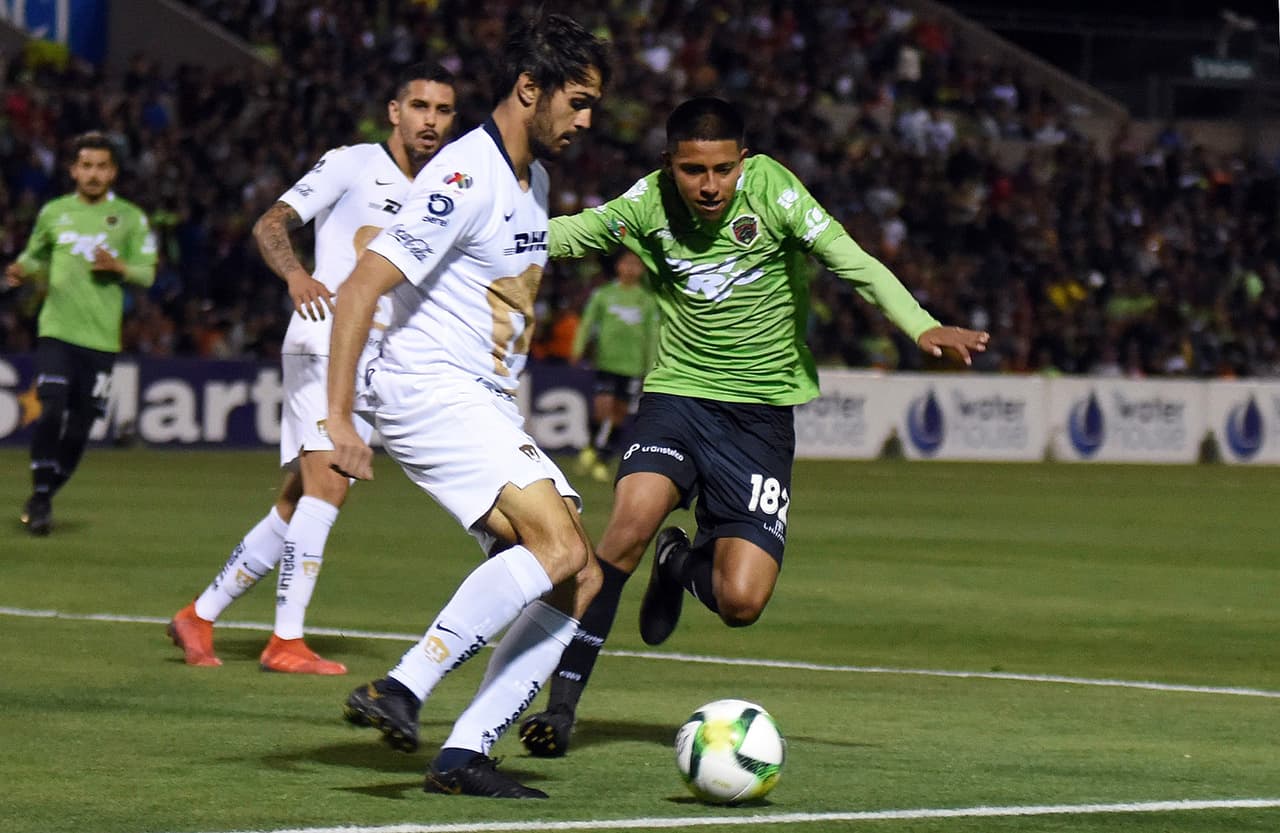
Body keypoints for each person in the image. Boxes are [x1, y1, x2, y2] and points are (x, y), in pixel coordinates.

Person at [518, 97, 990, 757]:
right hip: (678, 396)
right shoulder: (647, 203)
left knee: (741, 601)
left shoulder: (773, 189)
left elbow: (850, 260)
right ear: (668, 165)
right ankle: (559, 708)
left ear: (744, 159)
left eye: (721, 169)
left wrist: (921, 323)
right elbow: (568, 234)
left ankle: (680, 562)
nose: (708, 186)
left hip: (759, 419)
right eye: (692, 170)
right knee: (624, 528)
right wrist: (491, 231)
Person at [327, 14, 610, 798]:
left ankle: (464, 753)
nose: (587, 122)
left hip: (480, 400)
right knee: (559, 545)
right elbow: (361, 286)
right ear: (530, 89)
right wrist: (340, 418)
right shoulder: (464, 174)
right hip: (431, 388)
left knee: (576, 578)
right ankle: (403, 685)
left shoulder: (536, 182)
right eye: (577, 102)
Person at [166, 64, 458, 674]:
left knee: (302, 497)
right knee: (329, 484)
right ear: (394, 111)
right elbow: (271, 222)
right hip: (324, 337)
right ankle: (285, 641)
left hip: (374, 355)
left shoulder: (446, 187)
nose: (431, 119)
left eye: (444, 110)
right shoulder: (351, 163)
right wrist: (298, 276)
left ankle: (199, 614)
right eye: (421, 106)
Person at [6, 131, 157, 536]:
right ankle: (40, 497)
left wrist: (120, 268)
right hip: (57, 330)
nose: (93, 174)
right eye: (86, 166)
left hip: (102, 339)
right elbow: (36, 255)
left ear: (113, 171)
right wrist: (21, 268)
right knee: (52, 407)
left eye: (101, 166)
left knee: (80, 428)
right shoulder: (54, 212)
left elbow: (147, 272)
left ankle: (42, 495)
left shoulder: (130, 218)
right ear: (73, 170)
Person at [572, 250, 658, 482]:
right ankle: (590, 446)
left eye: (636, 265)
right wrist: (578, 348)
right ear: (618, 266)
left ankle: (604, 457)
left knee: (620, 412)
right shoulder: (604, 294)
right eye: (626, 263)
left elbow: (652, 335)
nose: (631, 268)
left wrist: (650, 368)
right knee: (602, 406)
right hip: (607, 361)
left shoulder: (646, 300)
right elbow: (588, 322)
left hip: (632, 366)